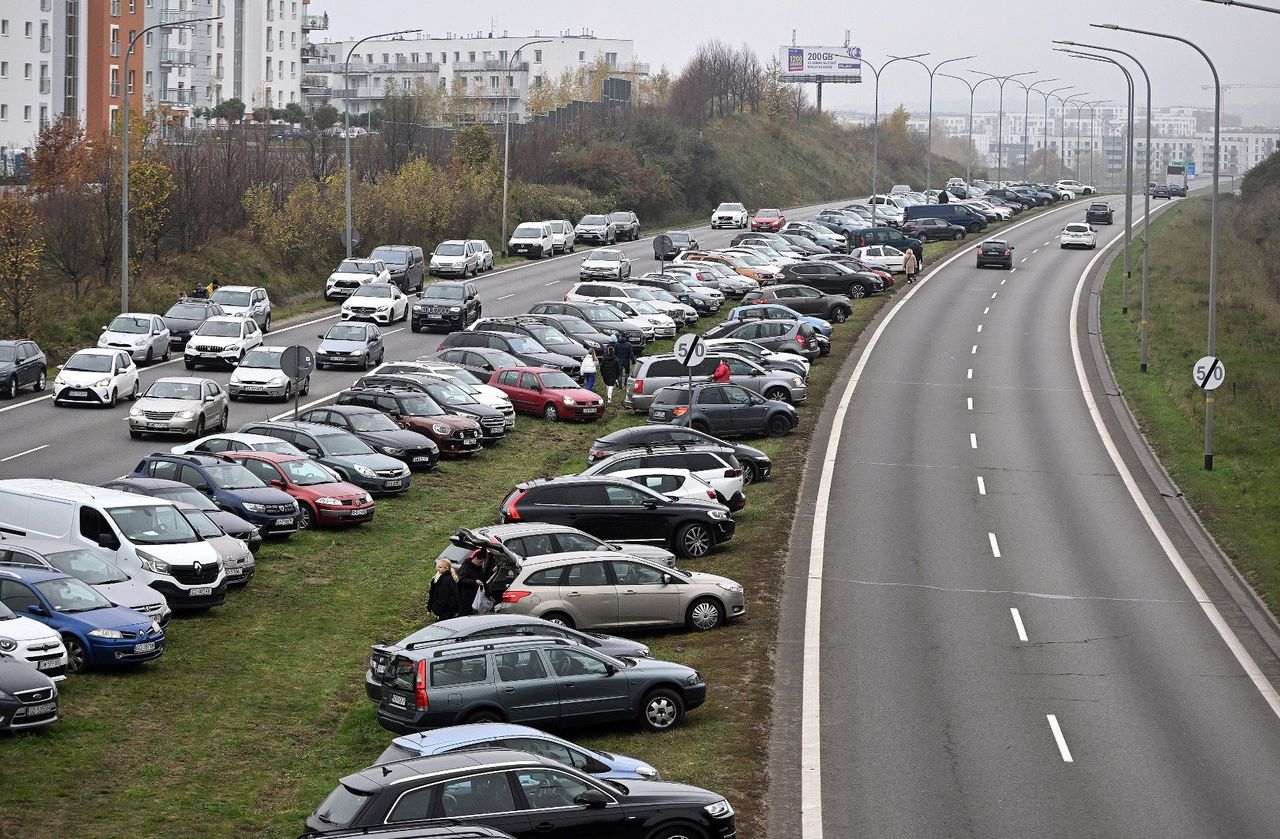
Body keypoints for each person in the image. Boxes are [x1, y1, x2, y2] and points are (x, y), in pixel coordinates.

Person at [456, 551, 490, 616]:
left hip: (476, 597)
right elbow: (461, 580)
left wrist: (488, 595)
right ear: (475, 558)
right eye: (480, 562)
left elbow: (483, 581)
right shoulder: (465, 567)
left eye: (482, 562)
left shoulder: (479, 568)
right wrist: (474, 581)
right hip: (466, 598)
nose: (481, 564)